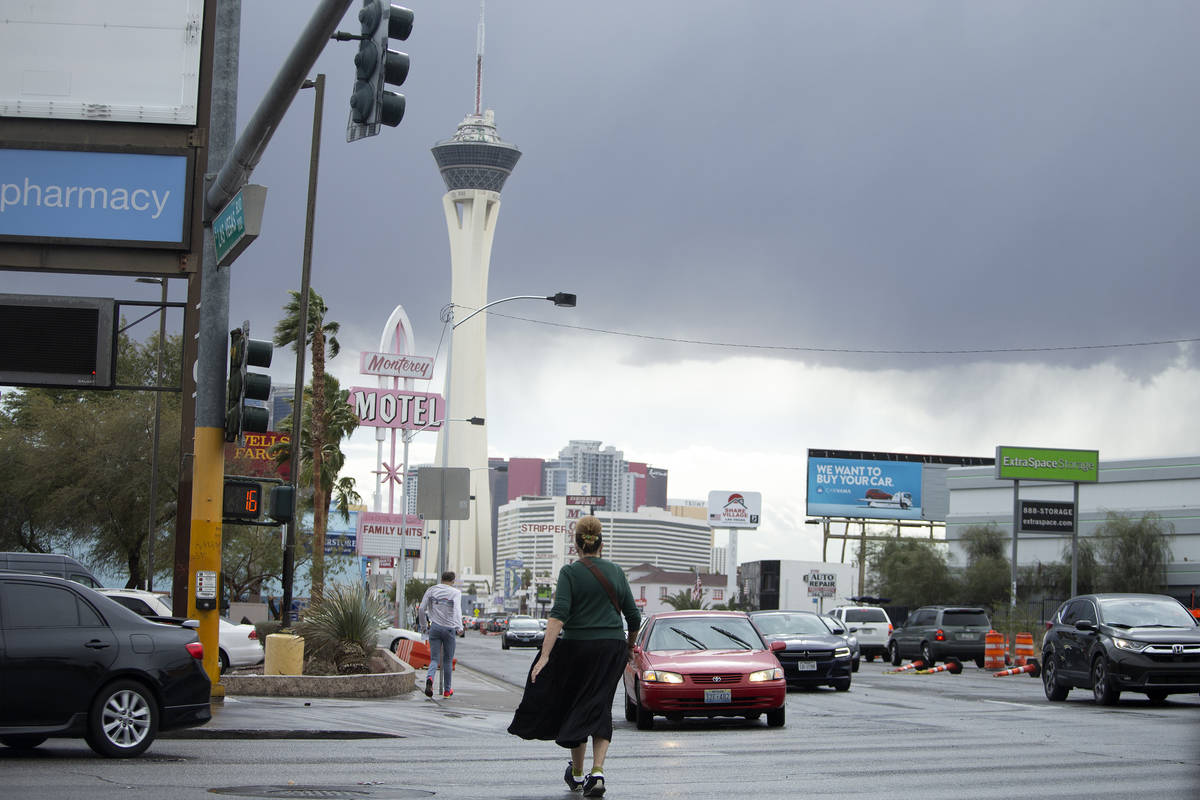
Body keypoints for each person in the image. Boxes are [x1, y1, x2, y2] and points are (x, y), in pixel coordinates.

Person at [507, 516, 640, 797]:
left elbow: (558, 616)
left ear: (576, 545)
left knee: (576, 705)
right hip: (611, 649)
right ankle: (598, 772)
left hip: (577, 648)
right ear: (601, 543)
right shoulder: (616, 572)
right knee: (600, 704)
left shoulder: (570, 573)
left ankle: (578, 774)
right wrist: (629, 646)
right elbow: (633, 615)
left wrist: (544, 657)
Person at [418, 571, 464, 698]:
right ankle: (447, 690)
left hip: (435, 627)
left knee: (434, 659)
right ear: (453, 581)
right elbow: (457, 610)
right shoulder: (455, 592)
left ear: (441, 579)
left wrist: (423, 626)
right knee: (448, 661)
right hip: (449, 629)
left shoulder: (432, 590)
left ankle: (430, 680)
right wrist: (459, 626)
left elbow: (421, 608)